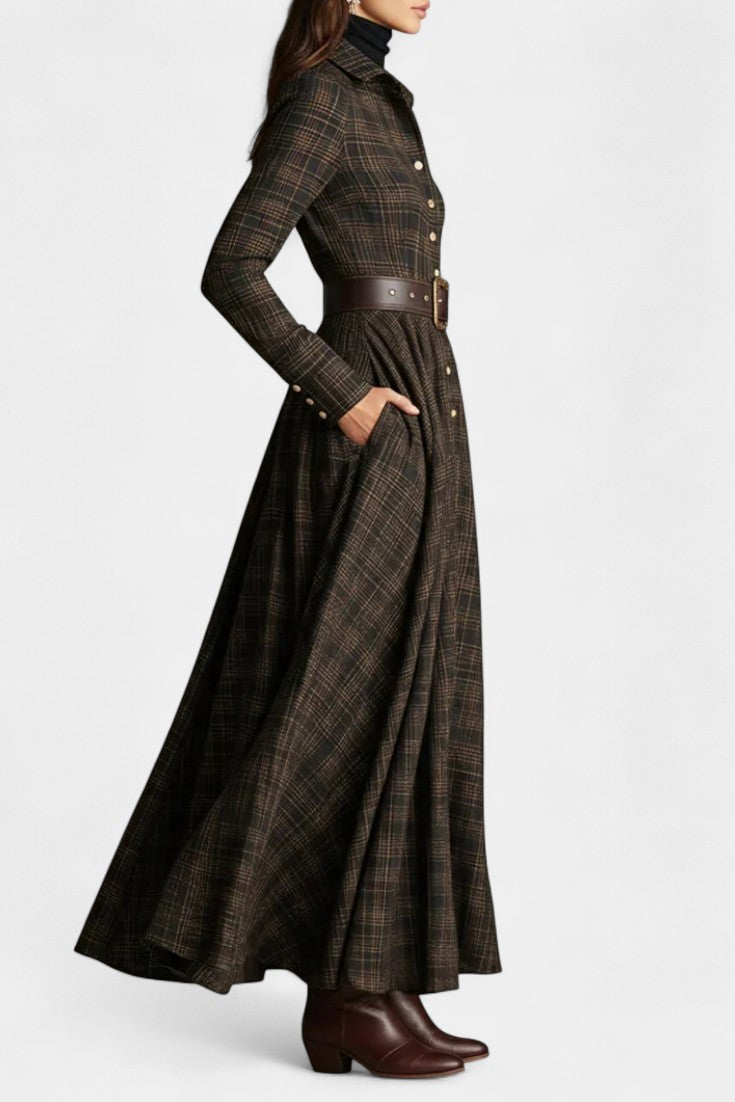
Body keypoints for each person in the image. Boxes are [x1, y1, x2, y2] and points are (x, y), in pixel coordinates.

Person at [74, 0, 501, 1079]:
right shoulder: (323, 100)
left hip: (421, 404)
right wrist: (344, 397)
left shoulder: (383, 99)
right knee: (344, 694)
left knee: (411, 690)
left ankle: (370, 986)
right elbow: (233, 266)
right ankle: (348, 994)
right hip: (368, 418)